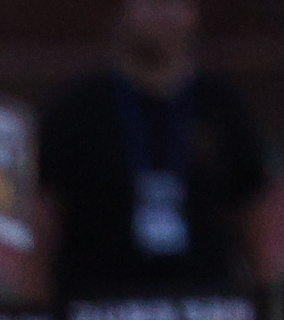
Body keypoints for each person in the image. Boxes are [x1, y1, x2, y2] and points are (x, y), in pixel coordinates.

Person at [37, 0, 271, 301]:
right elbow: (45, 219)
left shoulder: (223, 105)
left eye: (175, 4)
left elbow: (250, 212)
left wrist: (265, 302)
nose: (164, 15)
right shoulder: (75, 107)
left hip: (204, 311)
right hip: (98, 311)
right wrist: (36, 310)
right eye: (152, 4)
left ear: (193, 15)